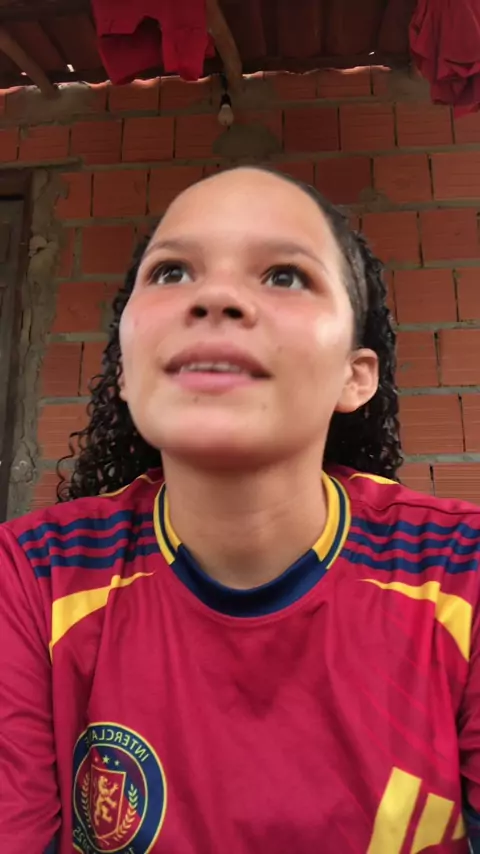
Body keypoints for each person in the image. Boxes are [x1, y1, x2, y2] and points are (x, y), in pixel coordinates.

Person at [1, 166, 479, 854]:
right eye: (172, 273)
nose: (216, 296)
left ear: (355, 376)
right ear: (126, 372)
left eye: (285, 275)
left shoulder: (463, 572)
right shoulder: (29, 577)